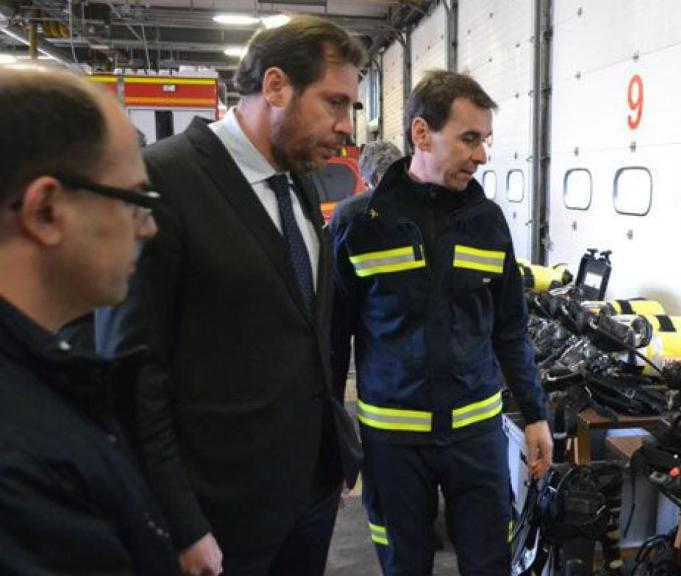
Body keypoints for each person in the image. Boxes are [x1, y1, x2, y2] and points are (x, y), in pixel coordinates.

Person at [95, 15, 366, 576]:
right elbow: (130, 376)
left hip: (307, 497)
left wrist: (327, 459)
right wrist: (178, 522)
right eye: (334, 104)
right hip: (216, 514)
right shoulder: (162, 182)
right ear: (275, 86)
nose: (346, 126)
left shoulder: (299, 180)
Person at [332, 69, 554, 574]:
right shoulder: (357, 225)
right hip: (393, 443)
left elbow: (510, 329)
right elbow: (329, 342)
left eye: (485, 141)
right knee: (405, 565)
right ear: (421, 134)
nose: (481, 155)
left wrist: (536, 414)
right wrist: (330, 438)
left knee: (488, 561)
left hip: (476, 437)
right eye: (470, 138)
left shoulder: (489, 223)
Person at [0, 64, 174, 574]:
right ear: (47, 212)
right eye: (136, 201)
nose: (149, 228)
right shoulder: (23, 465)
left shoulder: (43, 378)